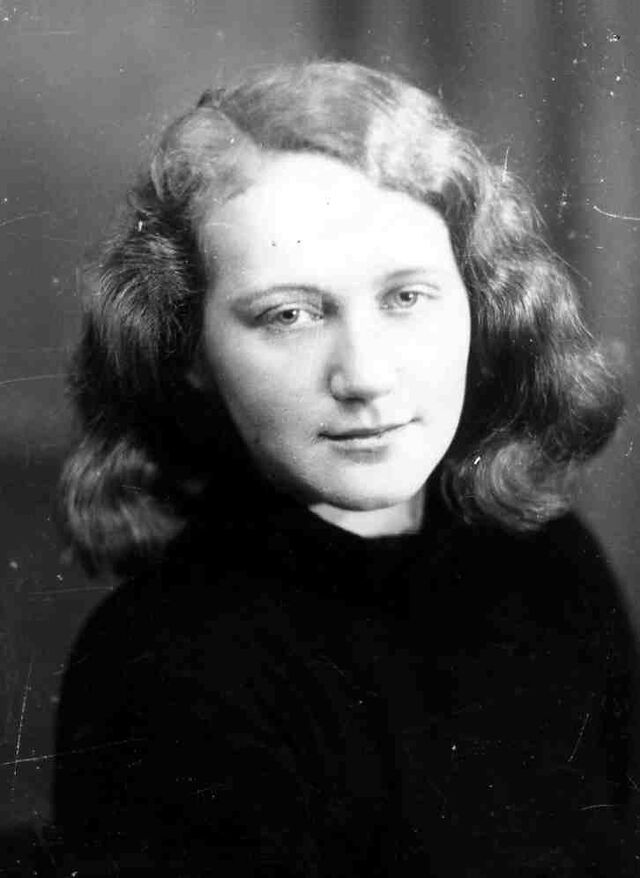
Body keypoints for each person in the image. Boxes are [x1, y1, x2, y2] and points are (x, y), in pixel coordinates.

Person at [51, 60, 638, 875]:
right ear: (188, 350)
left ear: (480, 304)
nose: (364, 375)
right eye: (289, 314)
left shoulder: (549, 559)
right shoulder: (165, 663)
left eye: (406, 297)